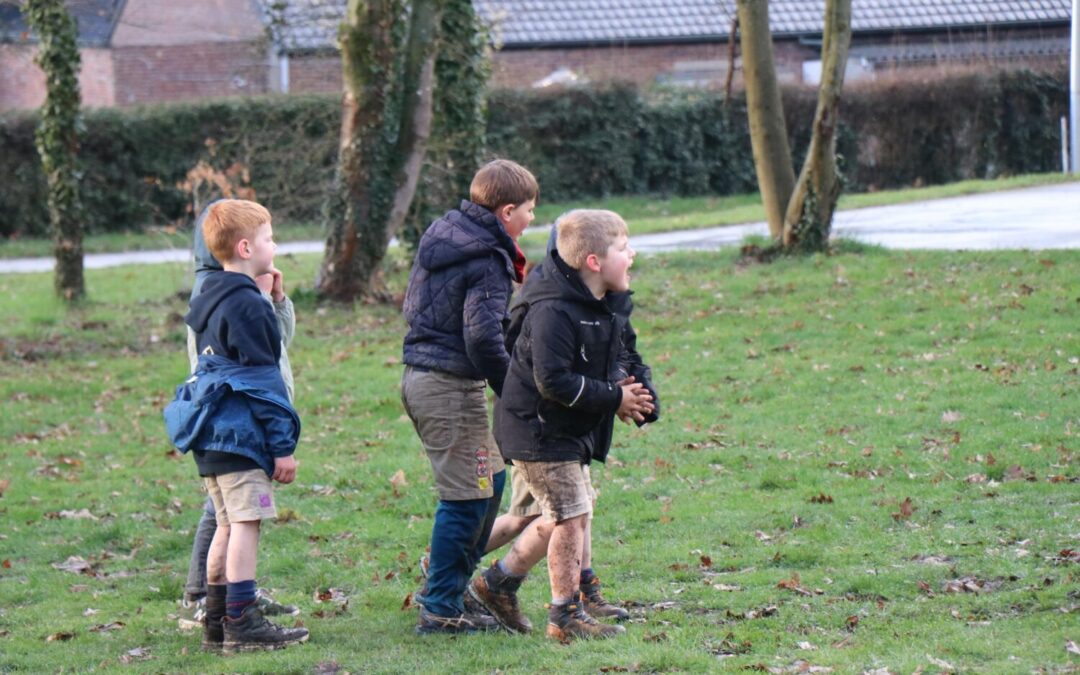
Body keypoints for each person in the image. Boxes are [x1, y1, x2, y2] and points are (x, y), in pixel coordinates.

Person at [468, 209, 655, 642]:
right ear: (594, 261)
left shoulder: (603, 304)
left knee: (570, 512)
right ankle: (564, 615)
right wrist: (614, 398)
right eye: (623, 248)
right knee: (568, 516)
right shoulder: (553, 309)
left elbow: (621, 357)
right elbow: (552, 381)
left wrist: (639, 398)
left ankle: (497, 584)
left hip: (567, 431)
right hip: (537, 431)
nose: (632, 255)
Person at [164, 199, 308, 653]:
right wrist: (282, 448)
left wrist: (271, 299)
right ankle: (243, 621)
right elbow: (264, 384)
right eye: (269, 239)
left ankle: (216, 621)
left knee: (226, 526)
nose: (275, 246)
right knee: (247, 524)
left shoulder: (210, 297)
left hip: (212, 436)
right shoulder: (247, 306)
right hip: (241, 437)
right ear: (246, 248)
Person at [400, 159, 536, 634]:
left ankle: (451, 588)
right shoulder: (487, 257)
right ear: (507, 211)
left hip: (429, 376)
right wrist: (515, 392)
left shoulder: (449, 237)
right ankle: (440, 608)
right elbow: (482, 337)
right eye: (529, 210)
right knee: (467, 497)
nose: (532, 219)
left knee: (490, 484)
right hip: (447, 385)